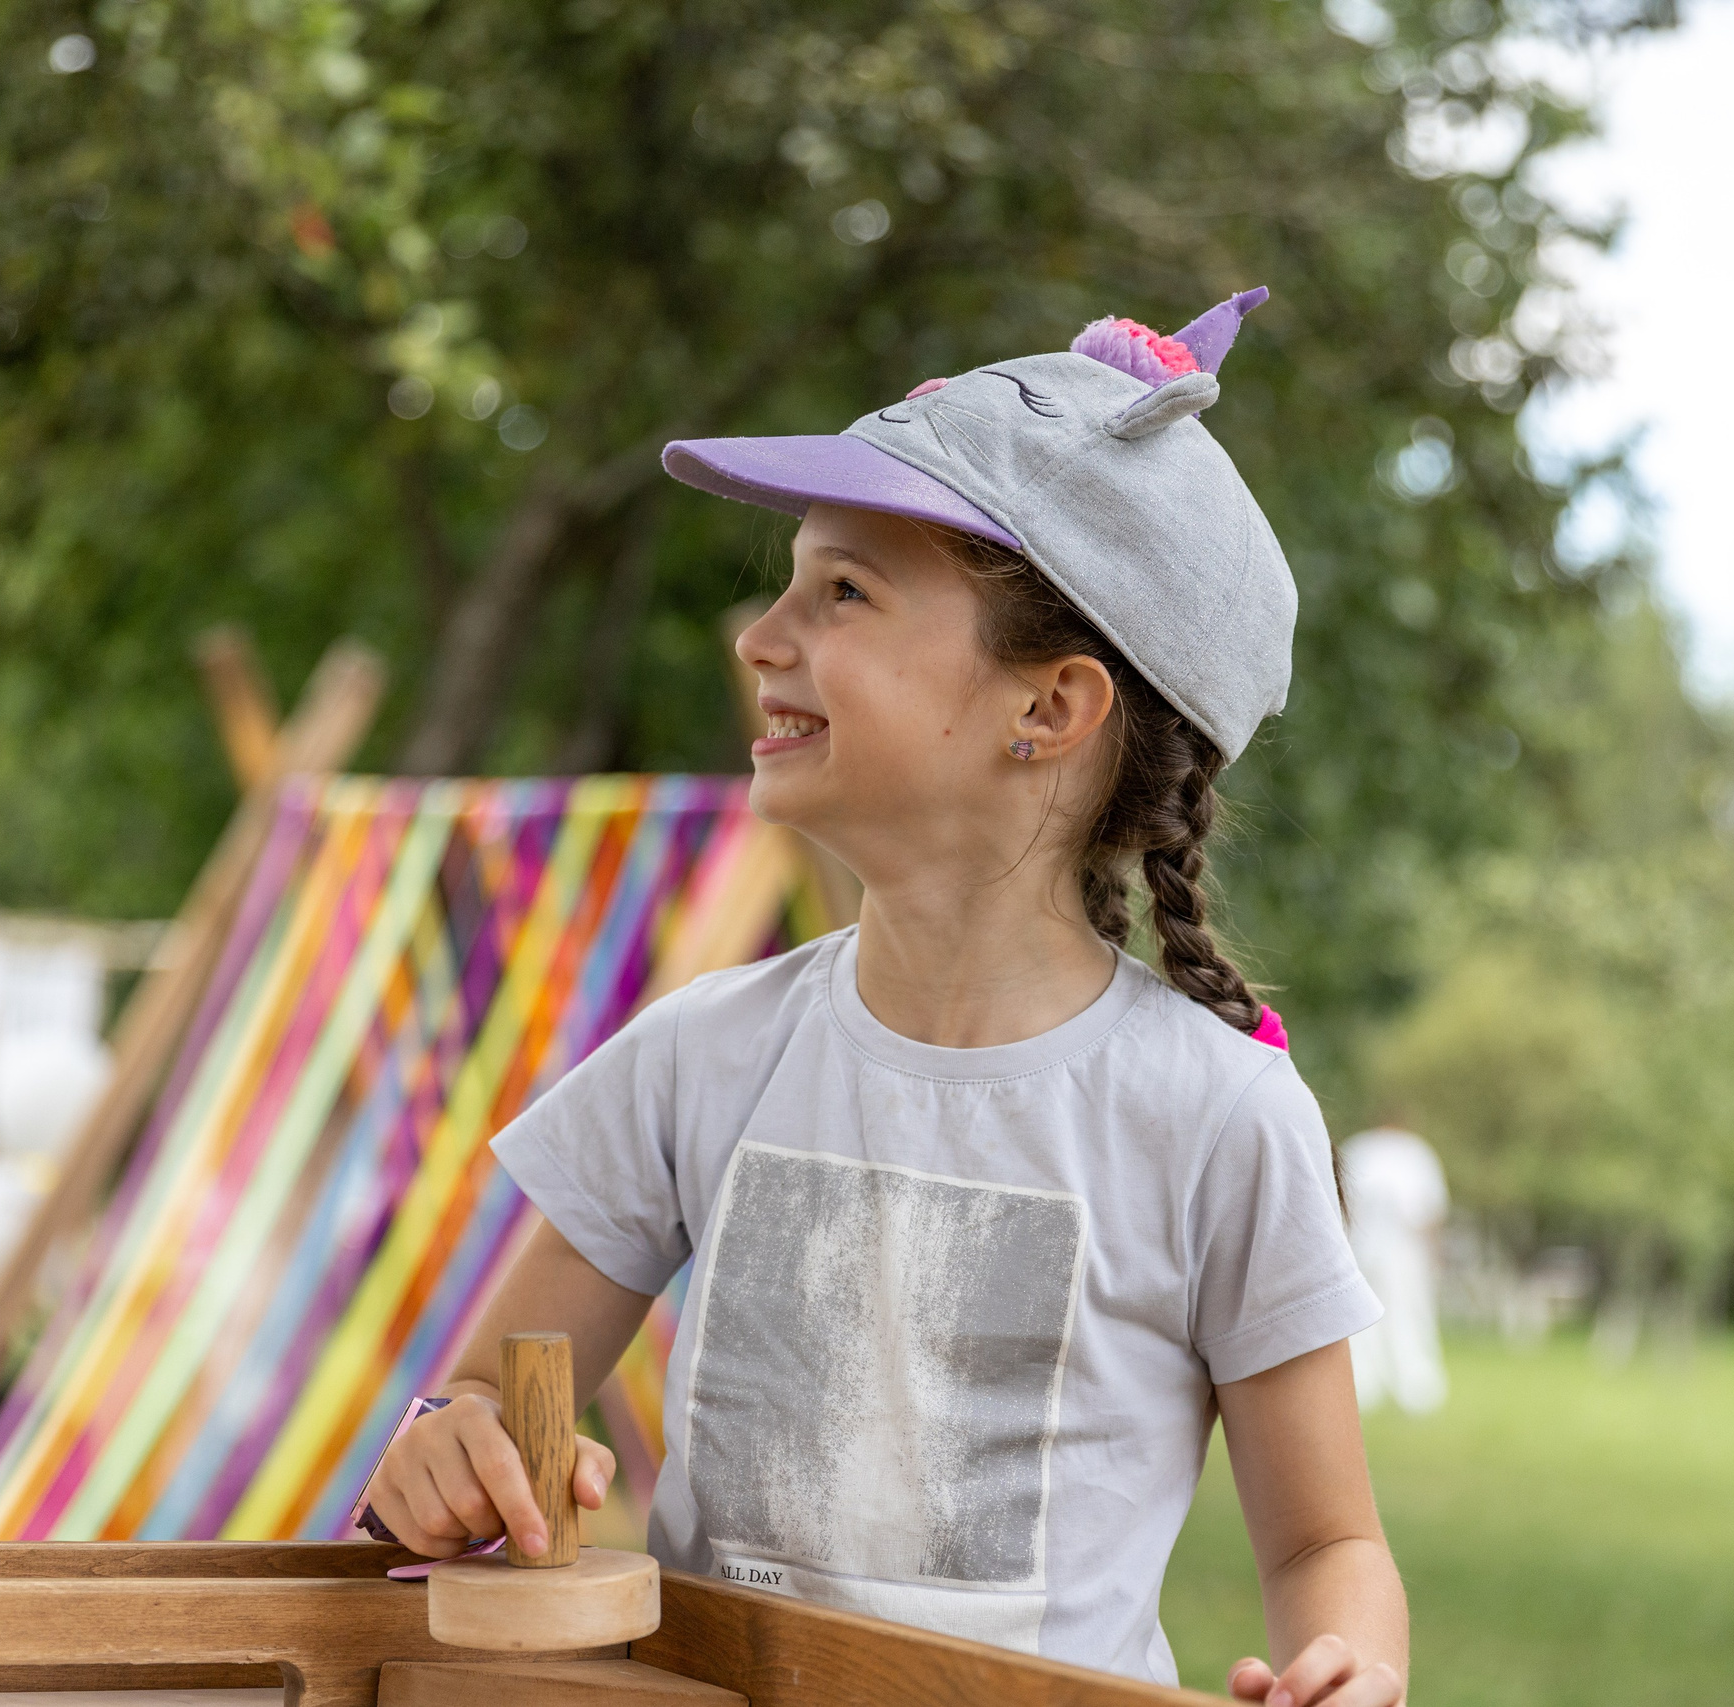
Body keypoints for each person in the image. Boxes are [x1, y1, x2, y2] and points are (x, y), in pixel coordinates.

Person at [360, 298, 1407, 1704]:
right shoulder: (696, 1056)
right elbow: (478, 1400)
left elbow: (1332, 1540)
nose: (761, 638)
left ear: (1051, 707)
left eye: (841, 592)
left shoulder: (1217, 1116)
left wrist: (1350, 1668)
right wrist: (450, 1446)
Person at [1339, 1124, 1450, 1415]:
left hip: (1373, 1250)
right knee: (1400, 1318)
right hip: (1389, 1251)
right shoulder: (1413, 1154)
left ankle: (1376, 1386)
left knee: (1371, 1321)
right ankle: (1404, 1386)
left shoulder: (1360, 1149)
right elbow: (1430, 1213)